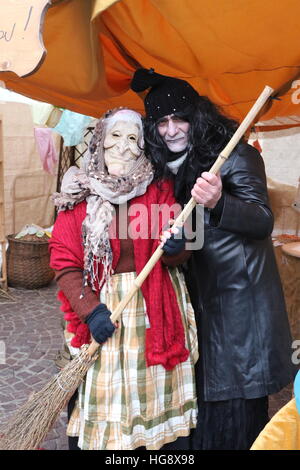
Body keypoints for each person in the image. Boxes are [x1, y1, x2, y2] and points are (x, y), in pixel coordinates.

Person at [130, 68, 297, 450]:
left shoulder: (235, 155)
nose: (171, 130)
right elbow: (187, 235)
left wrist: (219, 201)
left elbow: (261, 221)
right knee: (207, 411)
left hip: (240, 309)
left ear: (196, 117)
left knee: (236, 415)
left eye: (179, 119)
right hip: (201, 304)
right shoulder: (171, 168)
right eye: (162, 123)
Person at [48, 107, 198, 450]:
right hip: (105, 308)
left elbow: (178, 252)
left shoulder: (158, 188)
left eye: (133, 138)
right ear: (100, 141)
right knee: (109, 399)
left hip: (155, 306)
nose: (123, 146)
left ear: (143, 146)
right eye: (115, 136)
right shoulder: (79, 192)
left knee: (152, 400)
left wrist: (177, 245)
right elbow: (65, 261)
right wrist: (91, 310)